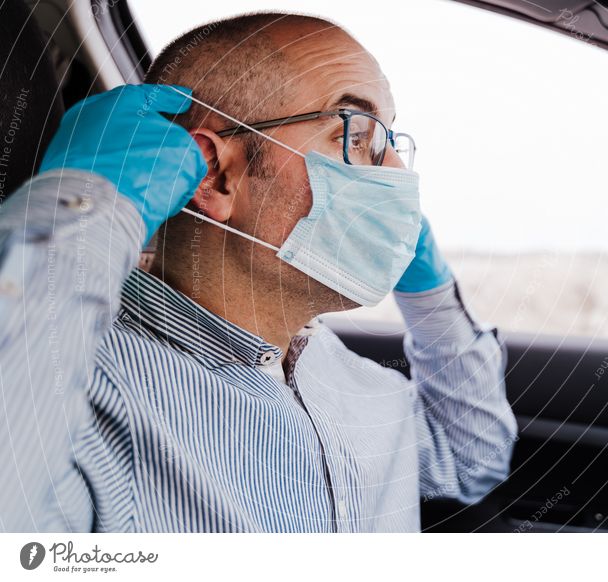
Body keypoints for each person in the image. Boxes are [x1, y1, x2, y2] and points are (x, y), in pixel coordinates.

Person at [0, 12, 516, 532]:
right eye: (357, 135)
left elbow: (475, 459)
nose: (399, 176)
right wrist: (81, 207)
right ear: (217, 176)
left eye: (388, 143)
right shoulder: (82, 391)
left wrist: (429, 294)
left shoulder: (351, 380)